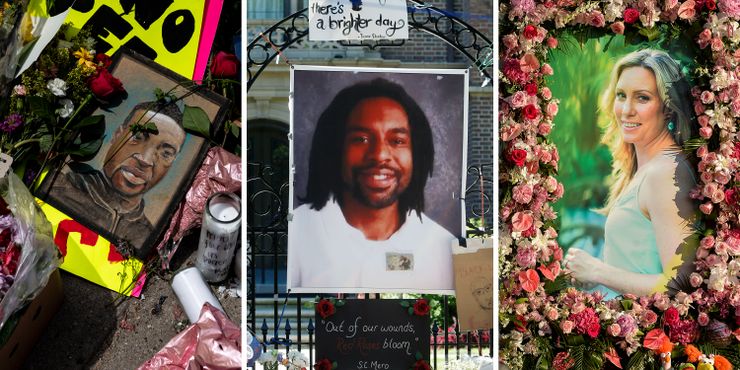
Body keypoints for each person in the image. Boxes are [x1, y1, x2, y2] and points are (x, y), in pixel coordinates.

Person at [288, 78, 457, 291]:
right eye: (361, 139)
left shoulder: (441, 246)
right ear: (336, 148)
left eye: (397, 141)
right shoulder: (297, 232)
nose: (379, 155)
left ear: (416, 154)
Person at [565, 49, 699, 298]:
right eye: (621, 95)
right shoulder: (647, 169)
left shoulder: (664, 174)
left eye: (642, 98)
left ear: (668, 108)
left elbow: (679, 285)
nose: (626, 110)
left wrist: (597, 271)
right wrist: (593, 277)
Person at [46, 101, 186, 256]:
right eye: (138, 136)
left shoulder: (147, 239)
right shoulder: (56, 187)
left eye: (166, 153)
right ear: (116, 135)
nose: (145, 160)